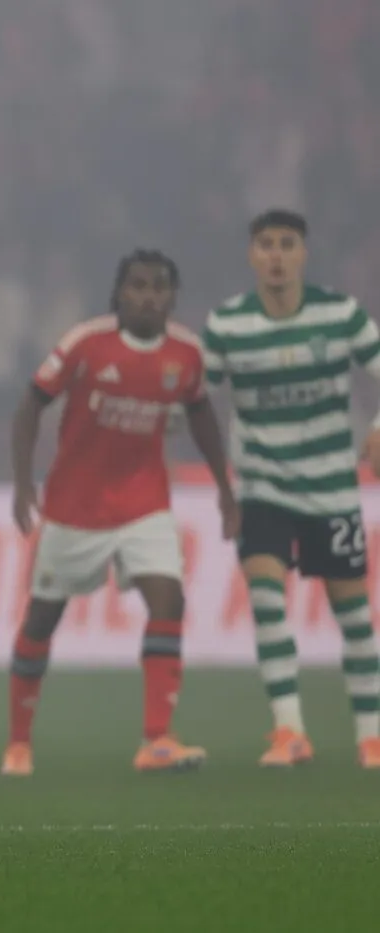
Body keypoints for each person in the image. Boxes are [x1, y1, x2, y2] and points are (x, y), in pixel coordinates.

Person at [2, 249, 239, 777]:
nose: (148, 296)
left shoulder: (186, 354)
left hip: (144, 502)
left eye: (159, 287)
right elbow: (30, 406)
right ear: (119, 293)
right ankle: (18, 743)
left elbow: (202, 414)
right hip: (74, 507)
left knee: (168, 597)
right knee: (42, 618)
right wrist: (21, 483)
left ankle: (157, 739)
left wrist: (225, 487)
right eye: (138, 285)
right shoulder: (86, 343)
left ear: (172, 298)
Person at [203, 209, 380, 770]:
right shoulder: (226, 325)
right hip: (262, 486)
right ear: (251, 255)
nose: (276, 255)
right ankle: (290, 731)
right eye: (265, 245)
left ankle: (372, 735)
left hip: (331, 487)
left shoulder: (341, 314)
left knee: (354, 616)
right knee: (266, 600)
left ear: (303, 253)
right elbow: (195, 399)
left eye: (286, 244)